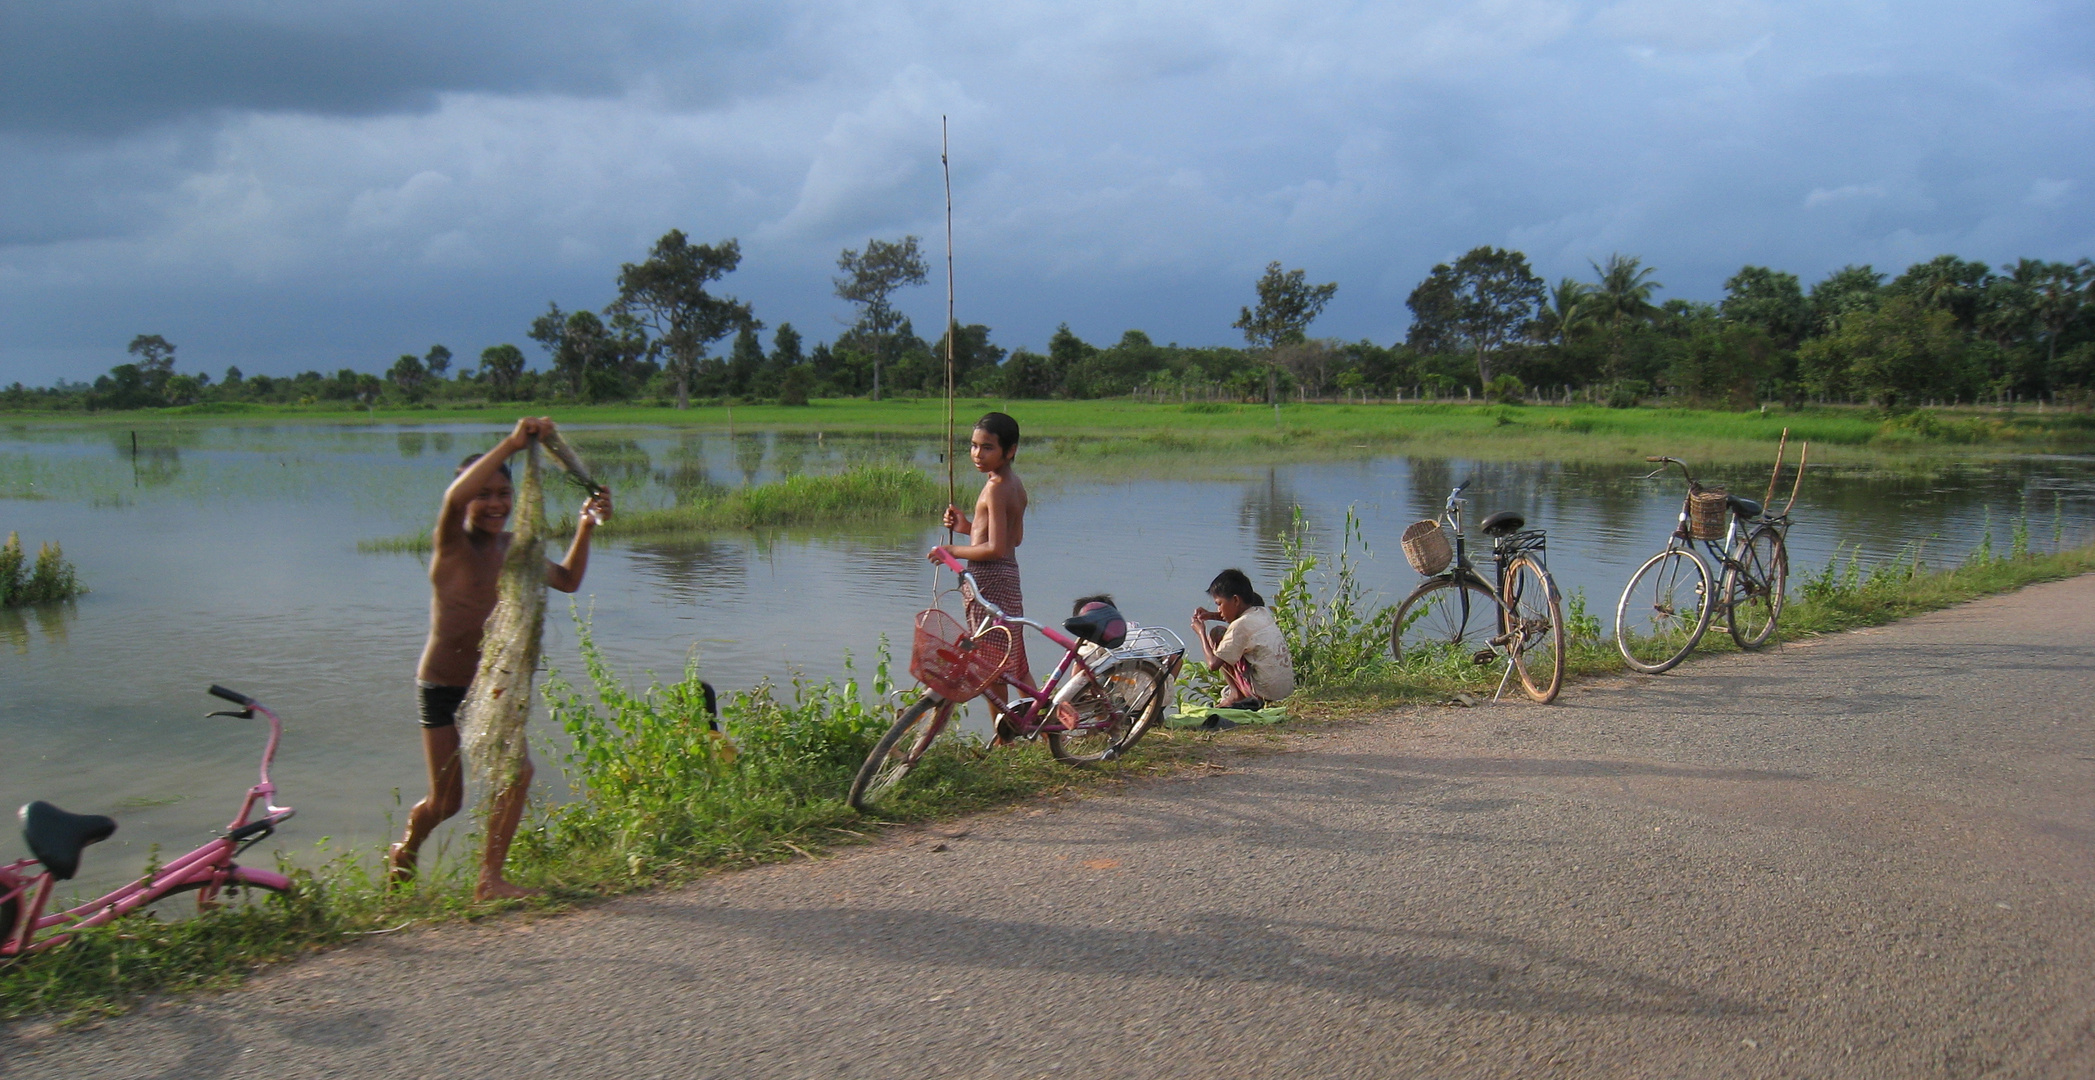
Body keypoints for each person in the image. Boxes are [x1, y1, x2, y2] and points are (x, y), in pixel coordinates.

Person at [388, 417, 612, 899]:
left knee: (520, 772)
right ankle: (407, 844)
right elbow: (451, 499)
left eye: (502, 494)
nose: (494, 504)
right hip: (441, 687)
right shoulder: (451, 543)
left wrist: (585, 525)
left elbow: (569, 580)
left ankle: (489, 878)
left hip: (492, 687)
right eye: (482, 494)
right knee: (446, 802)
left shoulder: (517, 549)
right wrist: (512, 445)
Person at [930, 412, 1031, 732]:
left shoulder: (995, 489)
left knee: (991, 665)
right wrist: (966, 528)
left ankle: (1005, 737)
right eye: (973, 446)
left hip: (990, 581)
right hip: (1008, 578)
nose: (977, 454)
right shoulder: (1013, 485)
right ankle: (1040, 726)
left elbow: (996, 549)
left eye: (987, 447)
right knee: (1016, 661)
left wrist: (950, 552)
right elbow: (1012, 539)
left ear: (1010, 450)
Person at [1191, 568, 1295, 726]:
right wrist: (1211, 615)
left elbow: (1213, 664)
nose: (1219, 610)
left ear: (1235, 600)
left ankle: (1236, 694)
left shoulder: (1240, 626)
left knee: (1216, 634)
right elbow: (1237, 617)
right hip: (1284, 690)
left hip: (1265, 694)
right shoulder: (1260, 611)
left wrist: (1201, 632)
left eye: (1219, 604)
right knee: (1227, 639)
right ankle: (1237, 693)